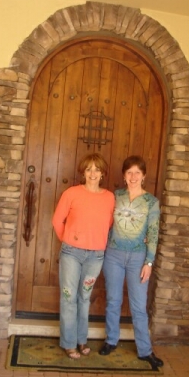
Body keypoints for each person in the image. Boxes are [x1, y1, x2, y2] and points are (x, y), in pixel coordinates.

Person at [99, 155, 164, 369]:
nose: (133, 176)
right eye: (129, 173)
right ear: (124, 176)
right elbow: (103, 222)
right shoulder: (114, 196)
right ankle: (111, 340)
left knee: (138, 306)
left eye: (137, 172)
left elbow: (153, 232)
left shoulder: (151, 202)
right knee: (113, 300)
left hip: (138, 259)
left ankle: (145, 350)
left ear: (144, 176)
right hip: (114, 256)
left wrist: (150, 262)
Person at [52, 153, 115, 360]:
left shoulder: (109, 198)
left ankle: (81, 340)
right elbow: (57, 221)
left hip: (96, 257)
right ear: (83, 172)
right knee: (69, 298)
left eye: (97, 169)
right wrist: (69, 240)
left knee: (84, 298)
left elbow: (110, 225)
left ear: (103, 173)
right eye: (89, 169)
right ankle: (69, 343)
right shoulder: (71, 193)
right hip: (71, 253)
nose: (93, 173)